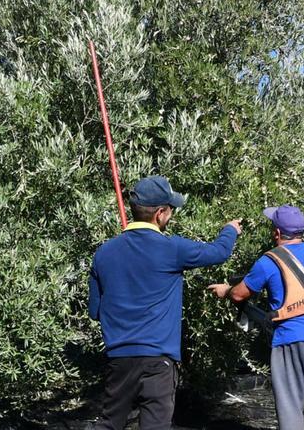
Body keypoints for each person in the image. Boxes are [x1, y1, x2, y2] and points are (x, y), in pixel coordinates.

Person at [88, 175, 241, 430]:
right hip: (159, 359)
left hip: (120, 358)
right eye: (171, 210)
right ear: (160, 213)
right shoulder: (172, 248)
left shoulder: (104, 252)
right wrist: (230, 230)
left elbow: (95, 311)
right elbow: (219, 252)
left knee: (109, 424)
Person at [207, 205, 304, 430]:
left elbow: (238, 295)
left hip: (288, 342)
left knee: (290, 409)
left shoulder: (269, 261)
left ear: (277, 233)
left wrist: (225, 289)